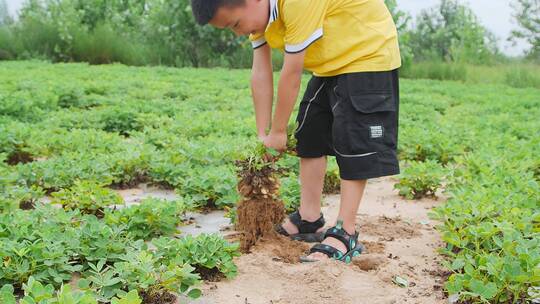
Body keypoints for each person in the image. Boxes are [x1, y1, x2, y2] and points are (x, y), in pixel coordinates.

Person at [191, 0, 401, 263]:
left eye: (235, 24)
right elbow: (260, 72)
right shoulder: (260, 16)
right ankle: (309, 218)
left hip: (367, 55)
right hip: (332, 62)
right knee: (309, 133)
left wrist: (278, 132)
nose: (238, 33)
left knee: (353, 141)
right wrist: (262, 133)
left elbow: (291, 71)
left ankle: (345, 233)